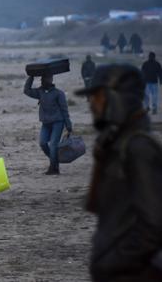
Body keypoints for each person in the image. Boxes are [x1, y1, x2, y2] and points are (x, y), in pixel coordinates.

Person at [74, 64, 162, 282]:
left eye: (98, 97)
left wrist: (114, 261)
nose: (92, 104)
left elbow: (153, 225)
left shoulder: (138, 148)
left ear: (118, 99)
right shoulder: (114, 145)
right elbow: (97, 206)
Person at [24, 74, 72, 174]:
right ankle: (55, 161)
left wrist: (68, 125)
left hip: (58, 122)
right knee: (43, 143)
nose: (43, 80)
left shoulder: (59, 93)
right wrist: (31, 77)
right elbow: (26, 90)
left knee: (54, 145)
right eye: (43, 79)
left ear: (51, 79)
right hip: (45, 123)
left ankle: (53, 168)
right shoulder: (39, 92)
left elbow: (64, 110)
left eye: (46, 78)